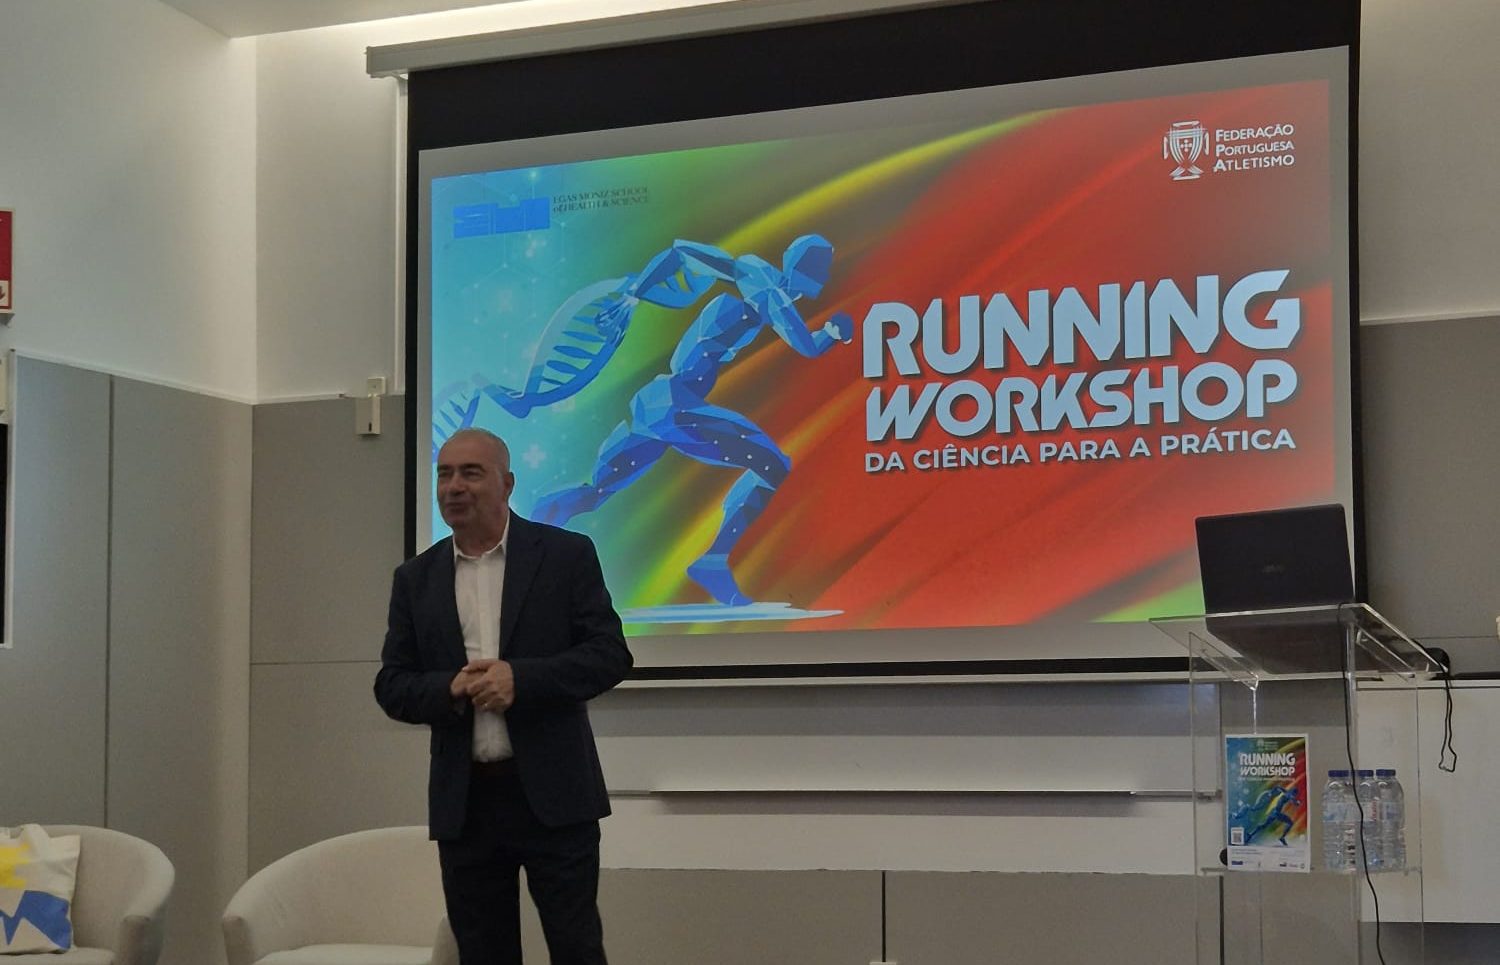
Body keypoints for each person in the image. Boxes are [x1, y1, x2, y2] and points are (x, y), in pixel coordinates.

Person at [374, 427, 632, 965]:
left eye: (471, 473)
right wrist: (448, 687)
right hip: (467, 805)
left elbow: (609, 655)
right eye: (444, 474)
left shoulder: (564, 556)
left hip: (555, 798)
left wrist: (522, 680)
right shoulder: (416, 579)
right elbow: (392, 684)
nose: (454, 487)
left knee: (577, 949)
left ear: (507, 484)